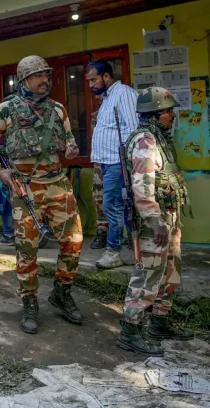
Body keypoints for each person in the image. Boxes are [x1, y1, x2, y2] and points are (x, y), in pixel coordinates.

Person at [0, 55, 83, 334]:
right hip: (25, 187)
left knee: (73, 240)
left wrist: (71, 149)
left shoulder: (58, 110)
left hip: (58, 184)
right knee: (27, 249)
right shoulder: (5, 110)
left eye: (46, 76)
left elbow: (69, 140)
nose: (45, 81)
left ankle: (62, 292)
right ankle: (29, 300)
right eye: (38, 76)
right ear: (24, 80)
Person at [116, 86, 194, 356]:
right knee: (148, 275)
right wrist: (155, 219)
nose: (172, 115)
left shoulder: (160, 138)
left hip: (168, 218)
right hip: (154, 223)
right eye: (168, 111)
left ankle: (158, 323)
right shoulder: (145, 141)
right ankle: (130, 331)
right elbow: (142, 186)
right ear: (154, 113)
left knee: (170, 272)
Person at [86, 60, 139, 269]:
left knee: (112, 205)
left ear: (106, 76)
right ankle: (135, 251)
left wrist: (129, 162)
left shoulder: (123, 93)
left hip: (119, 161)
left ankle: (113, 250)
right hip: (107, 161)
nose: (90, 85)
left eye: (93, 79)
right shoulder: (107, 98)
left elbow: (134, 130)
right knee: (122, 207)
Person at [90, 94, 109, 249]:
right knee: (99, 197)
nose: (99, 101)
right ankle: (102, 231)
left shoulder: (124, 114)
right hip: (100, 162)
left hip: (121, 161)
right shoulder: (95, 118)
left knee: (127, 196)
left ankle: (130, 234)